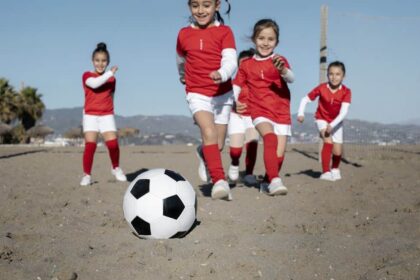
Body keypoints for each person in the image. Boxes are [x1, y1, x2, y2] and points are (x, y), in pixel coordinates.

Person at [176, 0, 237, 200]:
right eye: (195, 5)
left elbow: (231, 61)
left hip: (223, 93)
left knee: (217, 145)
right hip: (197, 92)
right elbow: (180, 58)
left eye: (206, 5)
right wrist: (182, 73)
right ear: (189, 7)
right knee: (208, 132)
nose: (200, 10)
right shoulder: (184, 34)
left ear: (217, 5)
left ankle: (204, 152)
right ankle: (219, 181)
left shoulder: (225, 32)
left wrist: (222, 73)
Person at [234, 19, 295, 196]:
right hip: (259, 111)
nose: (265, 43)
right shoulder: (246, 65)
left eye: (270, 39)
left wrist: (283, 70)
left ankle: (268, 180)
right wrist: (234, 101)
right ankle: (276, 180)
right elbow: (236, 85)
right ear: (254, 39)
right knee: (270, 137)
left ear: (276, 42)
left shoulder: (279, 60)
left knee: (279, 156)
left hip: (281, 112)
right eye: (261, 38)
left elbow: (291, 78)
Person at [80, 42, 127, 186]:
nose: (100, 64)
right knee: (90, 146)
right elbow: (95, 84)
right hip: (90, 115)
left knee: (113, 144)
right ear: (93, 61)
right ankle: (87, 175)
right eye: (97, 60)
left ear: (108, 62)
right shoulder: (87, 75)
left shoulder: (112, 79)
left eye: (104, 61)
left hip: (106, 114)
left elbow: (111, 96)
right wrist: (110, 72)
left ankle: (116, 168)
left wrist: (111, 111)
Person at [297, 61, 351, 181]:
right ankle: (325, 172)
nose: (334, 77)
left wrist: (332, 124)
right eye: (331, 74)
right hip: (321, 118)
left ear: (343, 76)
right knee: (327, 140)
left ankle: (335, 169)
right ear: (327, 75)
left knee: (337, 150)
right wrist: (301, 113)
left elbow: (343, 113)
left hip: (336, 122)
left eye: (337, 74)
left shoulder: (346, 91)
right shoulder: (321, 88)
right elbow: (305, 99)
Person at [227, 48, 259, 186]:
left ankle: (249, 173)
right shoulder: (232, 83)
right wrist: (234, 104)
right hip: (236, 117)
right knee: (235, 151)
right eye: (242, 64)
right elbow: (226, 100)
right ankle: (234, 164)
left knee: (252, 145)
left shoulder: (259, 82)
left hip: (253, 117)